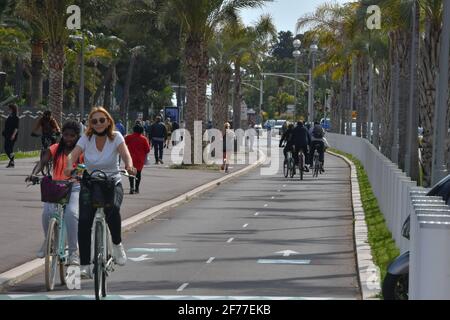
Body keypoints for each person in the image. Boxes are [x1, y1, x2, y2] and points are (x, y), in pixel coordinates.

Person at [64, 106, 136, 279]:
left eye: (102, 120)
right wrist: (68, 166)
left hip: (112, 182)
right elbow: (72, 155)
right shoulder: (86, 138)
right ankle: (85, 265)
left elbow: (126, 154)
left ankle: (117, 246)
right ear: (90, 124)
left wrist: (129, 165)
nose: (98, 124)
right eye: (94, 121)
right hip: (90, 183)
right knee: (84, 221)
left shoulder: (116, 137)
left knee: (112, 211)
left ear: (108, 121)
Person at [26, 120, 84, 265]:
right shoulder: (56, 147)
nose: (68, 138)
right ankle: (49, 242)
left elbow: (86, 166)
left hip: (74, 187)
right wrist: (33, 174)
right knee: (46, 213)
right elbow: (42, 162)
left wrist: (82, 175)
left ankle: (73, 253)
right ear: (62, 135)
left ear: (78, 136)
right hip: (56, 187)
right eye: (65, 135)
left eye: (72, 135)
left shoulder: (81, 151)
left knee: (71, 214)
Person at [125, 124, 150, 194]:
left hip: (130, 158)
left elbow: (123, 144)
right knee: (138, 173)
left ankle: (131, 187)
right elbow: (147, 149)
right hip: (140, 159)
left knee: (130, 173)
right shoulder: (144, 139)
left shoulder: (129, 137)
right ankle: (137, 188)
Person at [2, 104, 19, 168]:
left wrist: (13, 135)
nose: (8, 110)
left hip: (12, 135)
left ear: (12, 109)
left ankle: (12, 161)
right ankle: (12, 161)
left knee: (9, 148)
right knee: (6, 148)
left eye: (9, 109)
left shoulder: (16, 117)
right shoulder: (9, 116)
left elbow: (16, 128)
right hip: (7, 135)